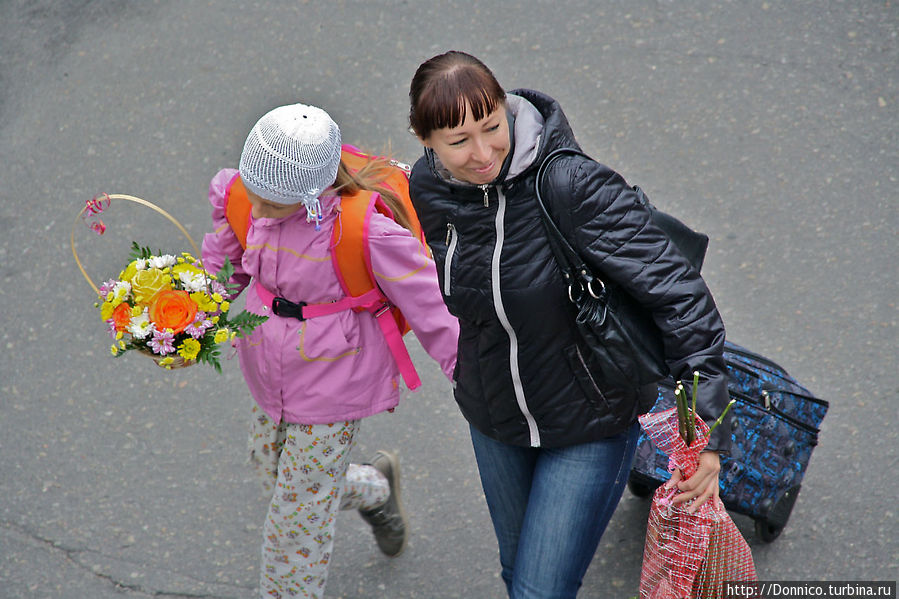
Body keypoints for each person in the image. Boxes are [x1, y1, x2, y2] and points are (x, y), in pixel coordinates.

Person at [407, 51, 732, 598]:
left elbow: (681, 297)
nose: (483, 152)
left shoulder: (570, 185)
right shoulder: (429, 189)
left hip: (589, 421)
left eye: (492, 126)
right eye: (459, 140)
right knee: (518, 575)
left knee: (539, 591)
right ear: (427, 141)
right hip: (494, 418)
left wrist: (704, 434)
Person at [201, 102, 458, 598]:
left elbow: (433, 308)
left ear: (313, 193)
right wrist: (192, 314)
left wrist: (470, 375)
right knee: (271, 471)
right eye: (253, 197)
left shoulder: (366, 232)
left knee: (295, 523)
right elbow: (229, 259)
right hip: (269, 367)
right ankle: (376, 491)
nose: (256, 211)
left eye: (272, 206)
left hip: (334, 381)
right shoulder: (247, 194)